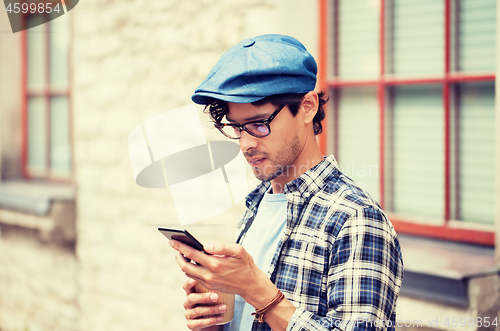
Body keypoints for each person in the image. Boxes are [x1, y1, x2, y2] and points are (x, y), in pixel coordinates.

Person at [169, 34, 404, 331]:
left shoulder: (355, 218)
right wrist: (214, 324)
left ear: (307, 106)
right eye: (236, 127)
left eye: (259, 124)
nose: (245, 144)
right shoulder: (258, 202)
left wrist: (257, 290)